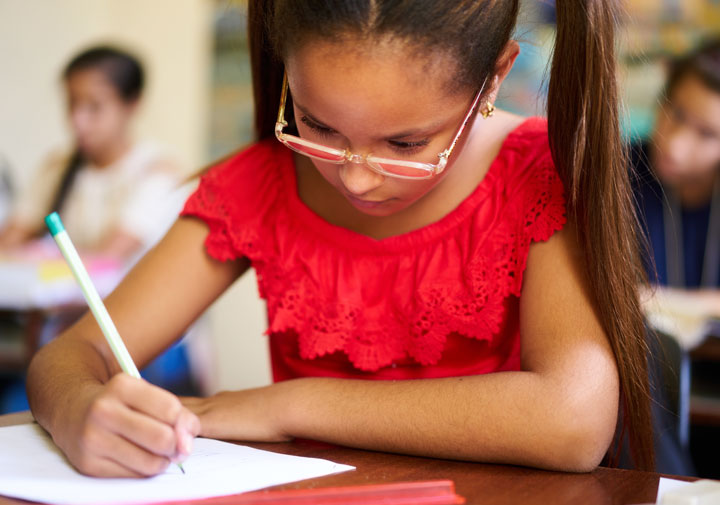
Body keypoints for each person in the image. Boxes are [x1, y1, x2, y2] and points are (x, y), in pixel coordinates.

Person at [26, 0, 655, 477]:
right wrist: (78, 408)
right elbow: (70, 354)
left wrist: (285, 406)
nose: (354, 174)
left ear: (493, 79)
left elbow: (571, 422)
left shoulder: (536, 175)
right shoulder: (258, 185)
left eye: (406, 144)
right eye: (318, 124)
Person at [0, 46, 185, 261]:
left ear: (132, 105)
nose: (78, 121)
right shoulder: (56, 167)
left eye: (94, 106)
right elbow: (10, 240)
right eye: (72, 103)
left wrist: (33, 256)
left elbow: (107, 259)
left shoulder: (159, 173)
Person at [631, 39, 720, 477]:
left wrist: (674, 300)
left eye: (707, 134)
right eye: (674, 112)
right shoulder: (615, 172)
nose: (677, 143)